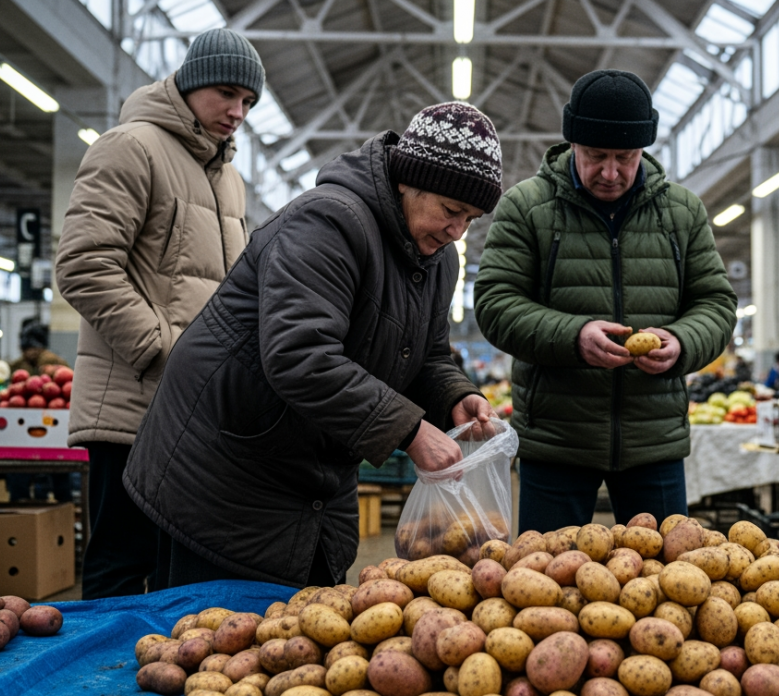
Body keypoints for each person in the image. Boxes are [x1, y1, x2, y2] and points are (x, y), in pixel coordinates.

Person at [123, 103, 501, 589]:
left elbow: (425, 355)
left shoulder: (438, 259)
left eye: (470, 218)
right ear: (410, 180)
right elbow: (299, 354)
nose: (457, 232)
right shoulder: (327, 223)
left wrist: (454, 396)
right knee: (213, 640)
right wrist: (409, 430)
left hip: (313, 472)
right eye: (452, 211)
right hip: (226, 471)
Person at [475, 69, 737, 532]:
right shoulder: (526, 207)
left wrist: (681, 341)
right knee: (544, 587)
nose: (611, 172)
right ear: (573, 143)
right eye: (596, 156)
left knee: (669, 582)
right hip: (556, 439)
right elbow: (496, 303)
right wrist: (574, 336)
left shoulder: (683, 213)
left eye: (626, 157)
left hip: (652, 439)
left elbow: (716, 303)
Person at [54, 28, 264, 598]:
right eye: (226, 93)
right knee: (122, 562)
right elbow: (82, 265)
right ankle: (100, 687)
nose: (236, 111)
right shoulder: (131, 147)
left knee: (177, 567)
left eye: (247, 102)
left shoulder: (228, 179)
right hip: (132, 404)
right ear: (191, 84)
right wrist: (167, 351)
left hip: (194, 409)